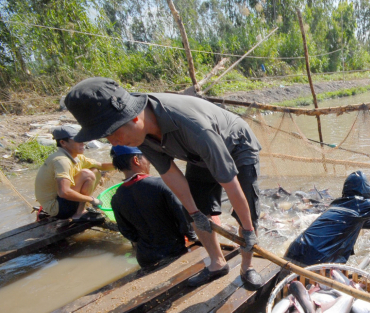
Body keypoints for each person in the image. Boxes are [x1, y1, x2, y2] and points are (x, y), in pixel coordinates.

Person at [64, 77, 263, 288]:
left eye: (114, 133)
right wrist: (195, 213)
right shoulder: (140, 134)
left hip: (236, 145)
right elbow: (170, 174)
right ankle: (217, 263)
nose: (114, 143)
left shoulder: (194, 128)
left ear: (133, 118)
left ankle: (247, 267)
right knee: (194, 207)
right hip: (196, 153)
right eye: (107, 137)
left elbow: (231, 185)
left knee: (247, 212)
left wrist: (248, 231)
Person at [284, 171, 370, 266]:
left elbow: (357, 222)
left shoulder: (336, 205)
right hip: (314, 258)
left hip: (294, 251)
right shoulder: (360, 204)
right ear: (366, 191)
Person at [109, 145, 197, 268]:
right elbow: (183, 217)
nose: (149, 162)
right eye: (147, 157)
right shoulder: (161, 184)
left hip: (145, 258)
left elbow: (127, 231)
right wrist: (193, 237)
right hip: (174, 251)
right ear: (136, 160)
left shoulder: (116, 198)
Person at [34, 125, 114, 222]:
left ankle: (80, 209)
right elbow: (64, 192)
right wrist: (91, 199)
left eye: (82, 140)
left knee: (95, 171)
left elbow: (100, 165)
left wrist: (122, 163)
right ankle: (79, 214)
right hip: (58, 209)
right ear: (63, 143)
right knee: (86, 174)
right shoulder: (61, 161)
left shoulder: (76, 156)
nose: (82, 143)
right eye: (77, 140)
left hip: (62, 202)